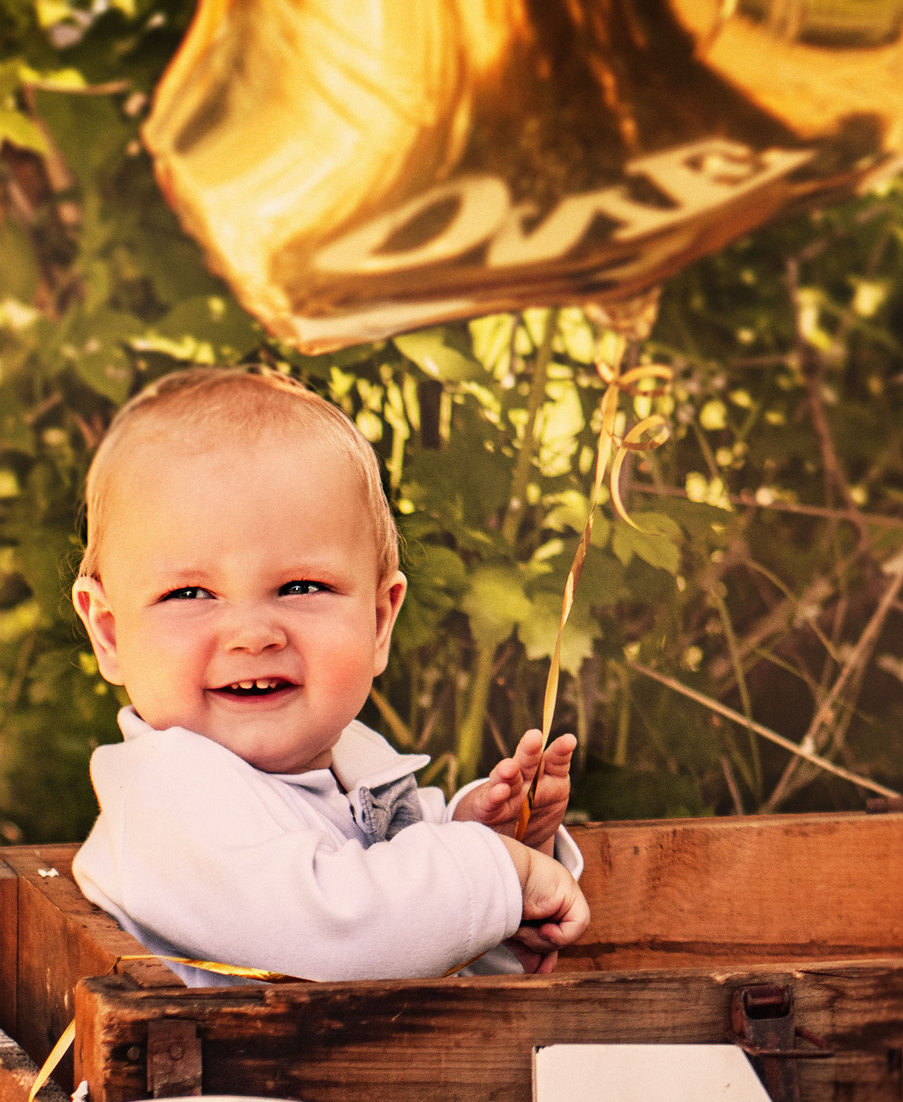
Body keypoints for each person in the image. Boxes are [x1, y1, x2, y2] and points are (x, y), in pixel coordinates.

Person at [69, 367, 589, 986]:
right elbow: (343, 936)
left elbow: (422, 969)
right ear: (110, 633)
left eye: (301, 587)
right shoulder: (166, 799)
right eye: (190, 593)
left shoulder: (360, 768)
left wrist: (489, 854)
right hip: (220, 1083)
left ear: (377, 621)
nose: (254, 634)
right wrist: (498, 875)